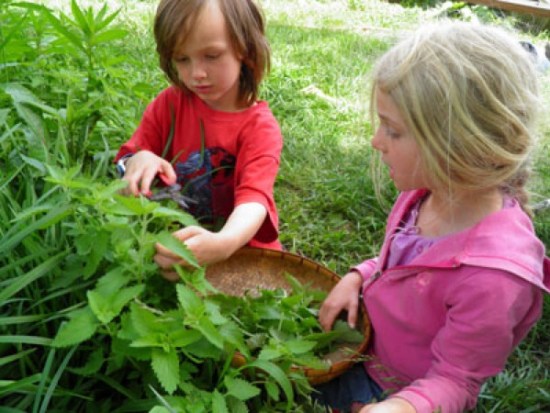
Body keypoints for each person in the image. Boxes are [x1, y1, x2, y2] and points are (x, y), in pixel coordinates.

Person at [317, 21, 550, 413]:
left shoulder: (492, 278)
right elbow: (402, 263)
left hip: (400, 394)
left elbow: (457, 380)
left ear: (458, 146)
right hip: (362, 349)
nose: (376, 142)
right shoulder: (425, 193)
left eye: (392, 130)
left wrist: (400, 407)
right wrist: (359, 275)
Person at [114, 0, 283, 277]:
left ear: (245, 49)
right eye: (183, 59)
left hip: (240, 252)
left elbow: (255, 199)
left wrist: (223, 244)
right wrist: (137, 161)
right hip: (174, 243)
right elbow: (126, 162)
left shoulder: (259, 128)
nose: (197, 74)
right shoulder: (170, 104)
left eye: (212, 56)